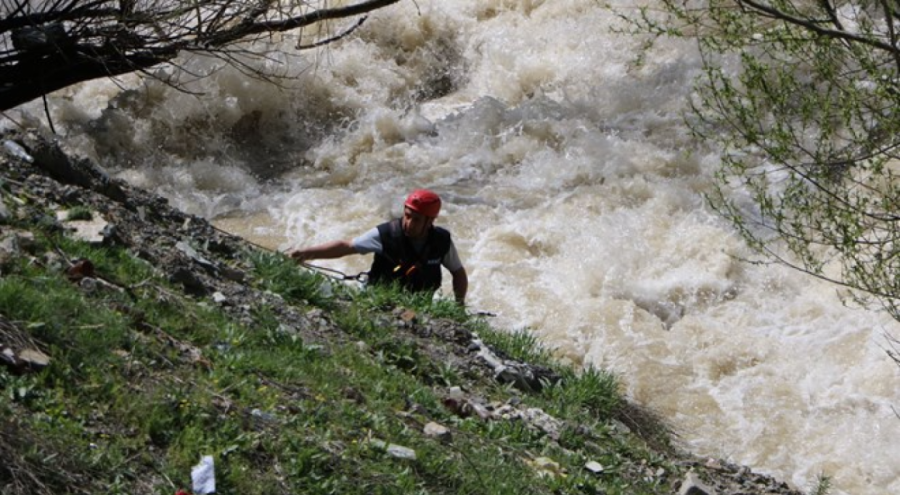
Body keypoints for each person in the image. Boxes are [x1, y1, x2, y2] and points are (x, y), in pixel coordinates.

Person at [289, 189, 468, 306]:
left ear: (430, 221)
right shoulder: (386, 234)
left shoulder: (441, 241)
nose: (409, 223)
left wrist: (459, 307)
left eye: (417, 219)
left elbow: (458, 273)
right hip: (378, 301)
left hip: (417, 304)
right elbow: (346, 246)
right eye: (407, 215)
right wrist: (303, 254)